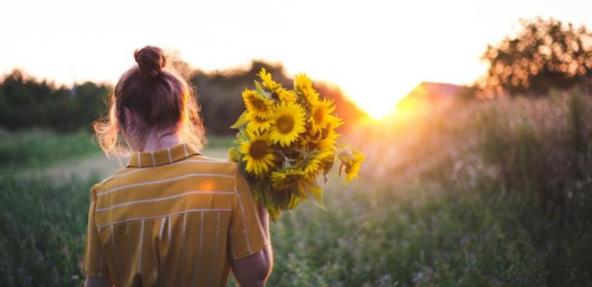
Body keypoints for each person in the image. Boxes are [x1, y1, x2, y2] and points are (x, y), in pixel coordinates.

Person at [83, 46, 272, 287]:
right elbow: (254, 278)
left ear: (127, 117)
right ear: (181, 113)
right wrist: (261, 202)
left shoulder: (104, 197)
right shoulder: (228, 180)